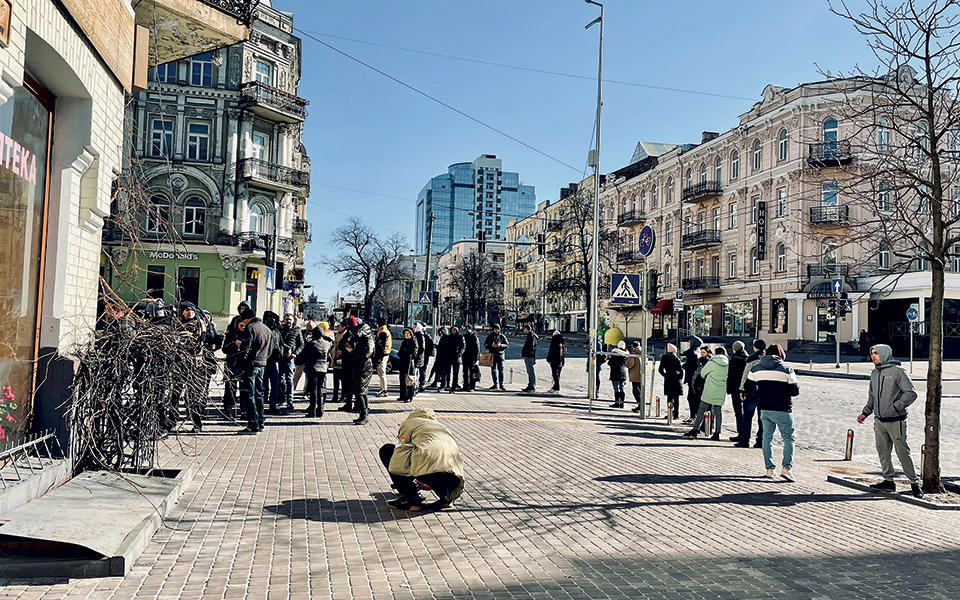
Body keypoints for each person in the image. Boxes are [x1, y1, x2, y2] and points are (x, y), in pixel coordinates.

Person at [857, 344, 923, 498]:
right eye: (872, 353)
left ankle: (914, 484)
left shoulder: (898, 371)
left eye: (876, 353)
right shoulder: (874, 373)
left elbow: (911, 393)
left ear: (885, 354)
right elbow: (872, 396)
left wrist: (896, 407)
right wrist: (865, 413)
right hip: (879, 421)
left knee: (902, 452)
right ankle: (888, 482)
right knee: (883, 452)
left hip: (896, 421)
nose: (873, 356)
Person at [380, 408, 465, 512]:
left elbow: (402, 447)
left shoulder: (410, 423)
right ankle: (446, 498)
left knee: (388, 450)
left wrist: (406, 480)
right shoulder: (441, 427)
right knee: (436, 467)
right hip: (454, 476)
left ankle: (411, 500)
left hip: (429, 468)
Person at [744, 344, 799, 481]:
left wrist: (761, 392)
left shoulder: (756, 368)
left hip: (765, 407)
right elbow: (795, 391)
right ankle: (786, 468)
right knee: (788, 438)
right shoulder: (787, 369)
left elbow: (748, 387)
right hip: (783, 408)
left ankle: (769, 469)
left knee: (767, 437)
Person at [236, 308, 271, 433]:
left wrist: (242, 362)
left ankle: (253, 424)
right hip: (262, 364)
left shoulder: (250, 328)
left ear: (247, 318)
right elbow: (270, 349)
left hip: (251, 365)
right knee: (259, 394)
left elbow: (246, 348)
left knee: (249, 394)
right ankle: (261, 421)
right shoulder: (267, 329)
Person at [683, 346, 728, 440]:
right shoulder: (727, 363)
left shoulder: (712, 362)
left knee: (701, 410)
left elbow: (703, 373)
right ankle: (717, 432)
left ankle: (695, 429)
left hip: (710, 388)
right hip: (721, 389)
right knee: (718, 412)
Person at [175, 302, 207, 432]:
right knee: (175, 394)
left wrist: (183, 341)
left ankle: (197, 424)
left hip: (194, 363)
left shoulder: (199, 323)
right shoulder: (177, 323)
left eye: (192, 310)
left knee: (193, 395)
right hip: (179, 363)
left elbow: (198, 341)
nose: (190, 312)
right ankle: (171, 422)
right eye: (187, 310)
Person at [295, 326, 332, 418]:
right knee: (320, 389)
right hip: (323, 368)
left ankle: (312, 410)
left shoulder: (311, 344)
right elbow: (329, 357)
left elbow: (305, 356)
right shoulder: (328, 343)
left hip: (313, 368)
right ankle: (320, 409)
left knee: (313, 389)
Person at [736, 339, 767, 448]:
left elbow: (745, 375)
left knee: (747, 417)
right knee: (762, 419)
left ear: (755, 348)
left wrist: (741, 389)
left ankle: (744, 441)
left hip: (751, 391)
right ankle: (760, 441)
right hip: (763, 392)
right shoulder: (767, 360)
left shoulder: (752, 360)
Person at [345, 316, 374, 425]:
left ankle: (364, 415)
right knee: (361, 391)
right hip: (360, 366)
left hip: (364, 366)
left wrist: (352, 351)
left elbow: (365, 355)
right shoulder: (363, 338)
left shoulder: (367, 339)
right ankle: (363, 414)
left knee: (360, 391)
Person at [279, 313, 303, 410]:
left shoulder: (296, 330)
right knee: (280, 379)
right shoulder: (280, 329)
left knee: (289, 379)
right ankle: (281, 398)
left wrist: (295, 353)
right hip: (280, 357)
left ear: (293, 321)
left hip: (290, 358)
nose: (288, 321)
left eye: (290, 319)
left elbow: (301, 344)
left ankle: (290, 400)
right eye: (286, 319)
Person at [726, 341, 749, 444]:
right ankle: (744, 434)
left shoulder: (734, 359)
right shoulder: (747, 358)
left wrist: (729, 389)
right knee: (746, 412)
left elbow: (731, 376)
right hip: (747, 388)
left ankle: (741, 434)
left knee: (739, 412)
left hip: (736, 389)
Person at [262, 311, 283, 414]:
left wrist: (281, 352)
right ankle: (260, 405)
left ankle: (273, 405)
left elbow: (281, 343)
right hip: (263, 361)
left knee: (275, 384)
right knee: (261, 385)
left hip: (274, 362)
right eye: (270, 318)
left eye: (273, 318)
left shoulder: (276, 331)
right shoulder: (263, 329)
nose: (272, 320)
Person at [658, 343, 684, 419]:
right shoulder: (676, 359)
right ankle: (676, 414)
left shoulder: (664, 358)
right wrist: (679, 378)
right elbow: (681, 371)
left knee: (669, 397)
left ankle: (669, 413)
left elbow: (660, 370)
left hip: (668, 379)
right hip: (676, 379)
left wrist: (666, 375)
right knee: (676, 398)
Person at [681, 336, 702, 422]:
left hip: (692, 378)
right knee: (693, 397)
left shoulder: (692, 353)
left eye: (690, 341)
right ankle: (694, 416)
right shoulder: (697, 351)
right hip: (695, 378)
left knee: (691, 397)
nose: (689, 343)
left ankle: (693, 416)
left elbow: (690, 366)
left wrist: (684, 366)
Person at [396, 327, 419, 402]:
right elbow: (400, 351)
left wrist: (410, 355)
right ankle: (403, 396)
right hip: (402, 362)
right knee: (402, 379)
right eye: (405, 333)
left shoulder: (413, 341)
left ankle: (409, 396)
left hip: (409, 363)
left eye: (408, 333)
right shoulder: (404, 342)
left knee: (409, 380)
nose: (406, 335)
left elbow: (415, 353)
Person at [483, 324, 508, 390]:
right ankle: (495, 384)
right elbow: (485, 345)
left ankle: (501, 384)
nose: (496, 330)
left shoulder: (502, 336)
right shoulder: (490, 336)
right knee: (493, 370)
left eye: (497, 329)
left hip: (500, 356)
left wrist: (500, 345)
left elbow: (507, 345)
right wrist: (491, 345)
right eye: (495, 329)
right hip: (492, 355)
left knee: (501, 370)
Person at [374, 317, 393, 397]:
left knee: (381, 372)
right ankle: (383, 388)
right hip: (385, 354)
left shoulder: (383, 332)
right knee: (381, 372)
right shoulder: (384, 330)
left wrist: (379, 357)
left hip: (383, 354)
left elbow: (381, 345)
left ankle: (384, 390)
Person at [607, 340, 629, 408]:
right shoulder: (626, 355)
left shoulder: (615, 354)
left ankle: (617, 403)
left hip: (615, 372)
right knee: (622, 387)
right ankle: (622, 403)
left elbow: (609, 363)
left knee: (616, 388)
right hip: (623, 372)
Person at [443, 325, 465, 393]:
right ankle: (445, 385)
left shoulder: (460, 337)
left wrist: (459, 354)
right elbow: (445, 347)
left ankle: (453, 387)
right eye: (452, 329)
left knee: (455, 374)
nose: (453, 331)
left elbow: (463, 347)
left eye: (454, 330)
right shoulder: (448, 337)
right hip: (448, 357)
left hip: (456, 358)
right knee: (445, 372)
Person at [461, 326, 480, 392]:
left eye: (468, 328)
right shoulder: (464, 336)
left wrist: (476, 358)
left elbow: (477, 348)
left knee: (472, 372)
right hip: (465, 356)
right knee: (465, 372)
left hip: (472, 357)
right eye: (466, 328)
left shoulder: (474, 337)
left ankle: (472, 386)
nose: (467, 329)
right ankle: (465, 386)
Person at [520, 324, 538, 392]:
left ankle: (531, 386)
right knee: (530, 371)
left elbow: (531, 347)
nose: (523, 330)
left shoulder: (530, 336)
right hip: (530, 355)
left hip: (529, 356)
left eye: (524, 329)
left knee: (530, 371)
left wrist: (528, 353)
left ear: (526, 329)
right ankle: (530, 385)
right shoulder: (531, 335)